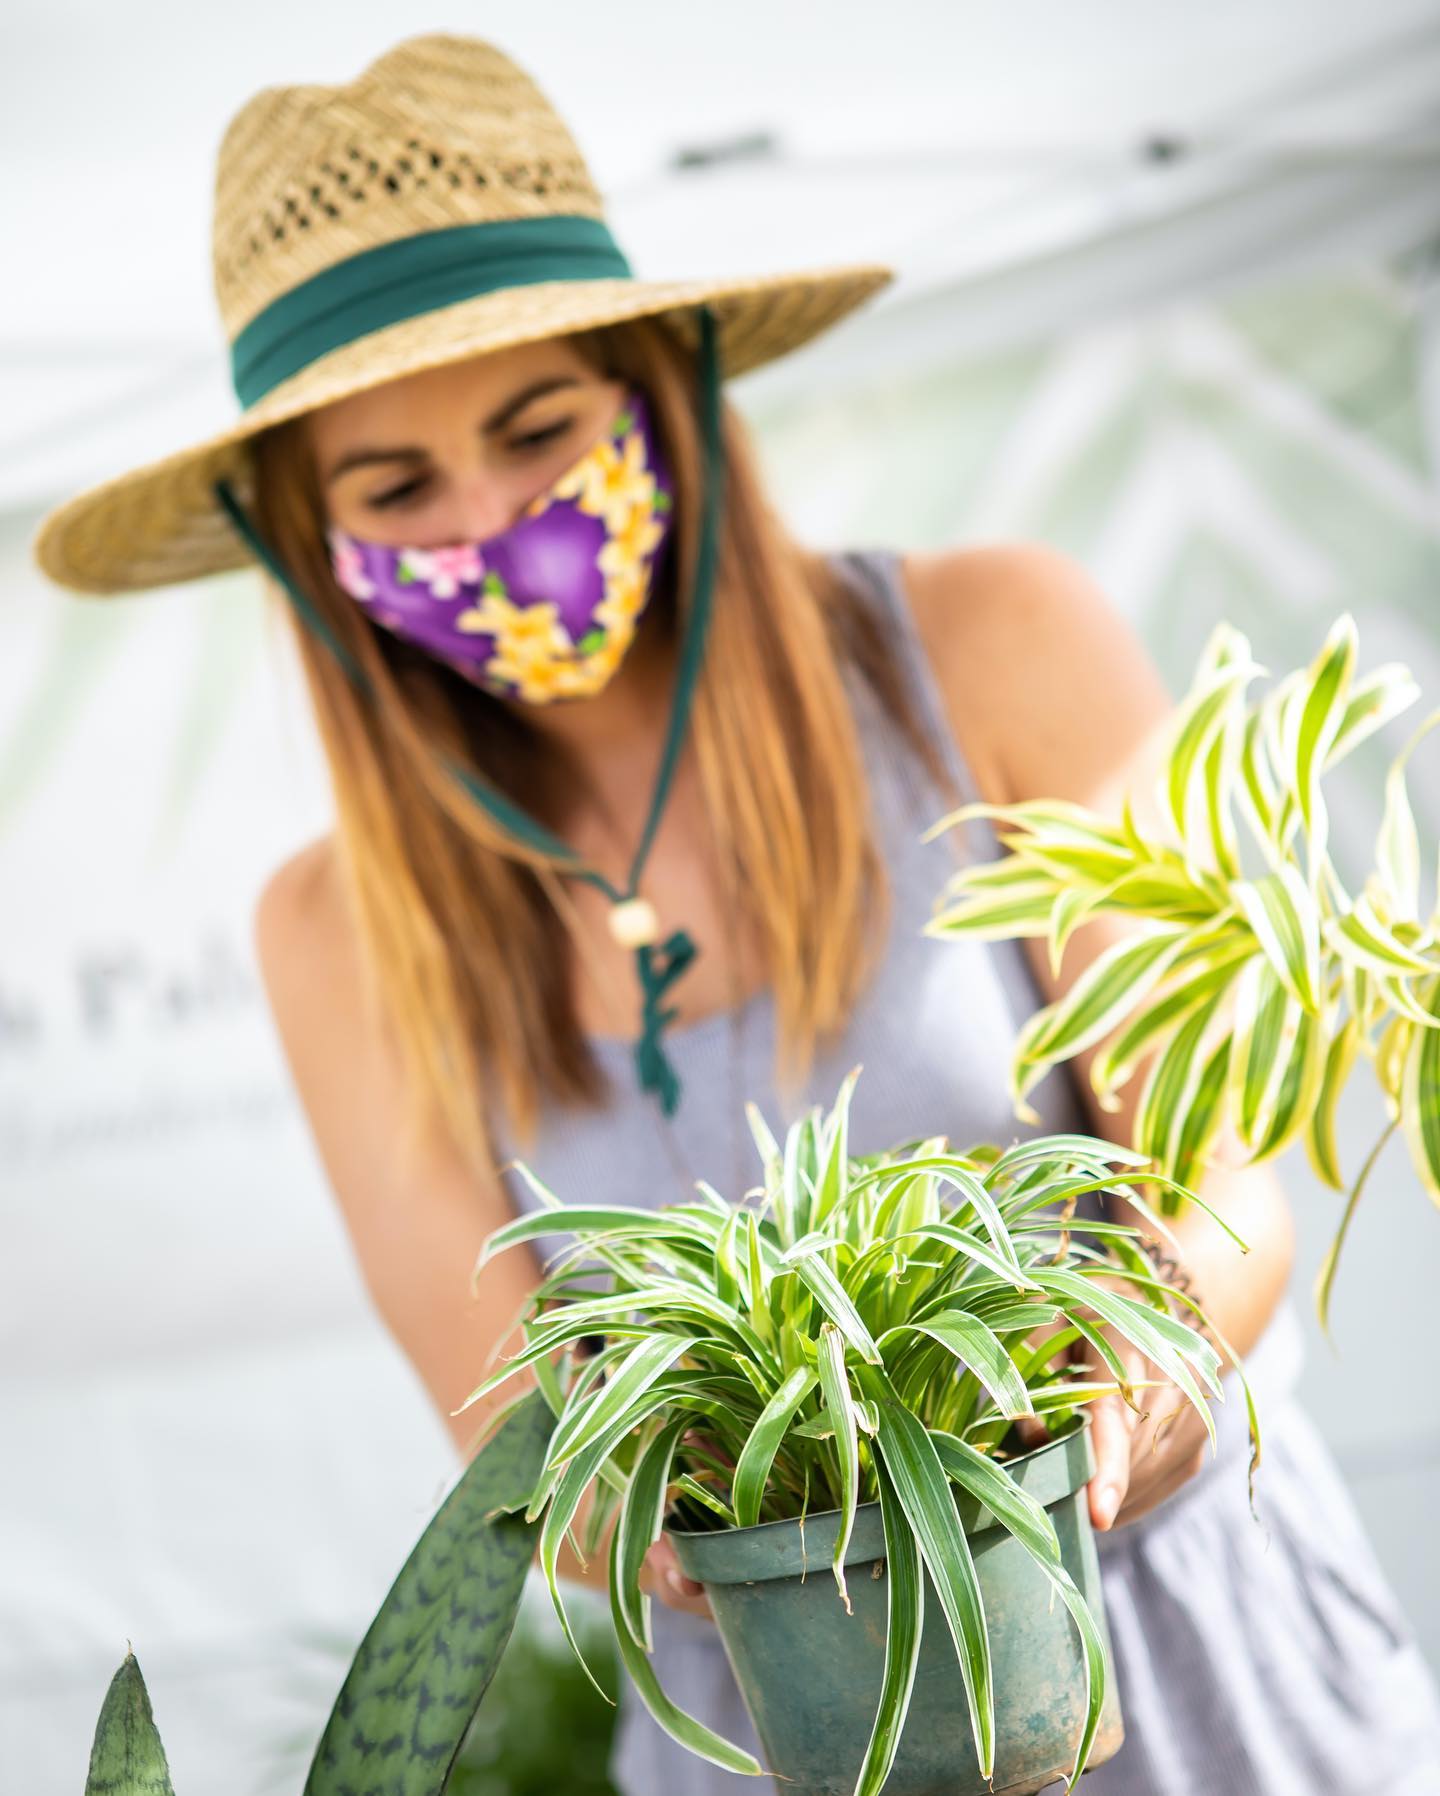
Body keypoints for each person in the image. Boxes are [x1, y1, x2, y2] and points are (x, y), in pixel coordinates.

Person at [33, 32, 1440, 1796]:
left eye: (542, 428)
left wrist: (1133, 1380)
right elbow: (514, 1444)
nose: (494, 521)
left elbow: (1224, 1183)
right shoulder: (338, 933)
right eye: (395, 491)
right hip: (778, 1725)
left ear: (663, 394)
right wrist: (706, 1531)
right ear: (307, 542)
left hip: (1196, 1644)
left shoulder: (988, 645)